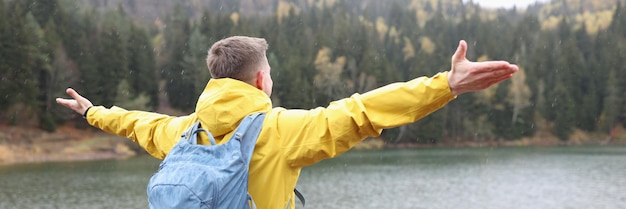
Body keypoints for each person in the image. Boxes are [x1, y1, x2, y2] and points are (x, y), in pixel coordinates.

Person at [56, 36, 518, 209]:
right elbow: (360, 111)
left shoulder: (183, 132)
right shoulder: (279, 131)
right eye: (270, 73)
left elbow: (139, 124)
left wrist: (93, 112)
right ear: (261, 79)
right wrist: (445, 85)